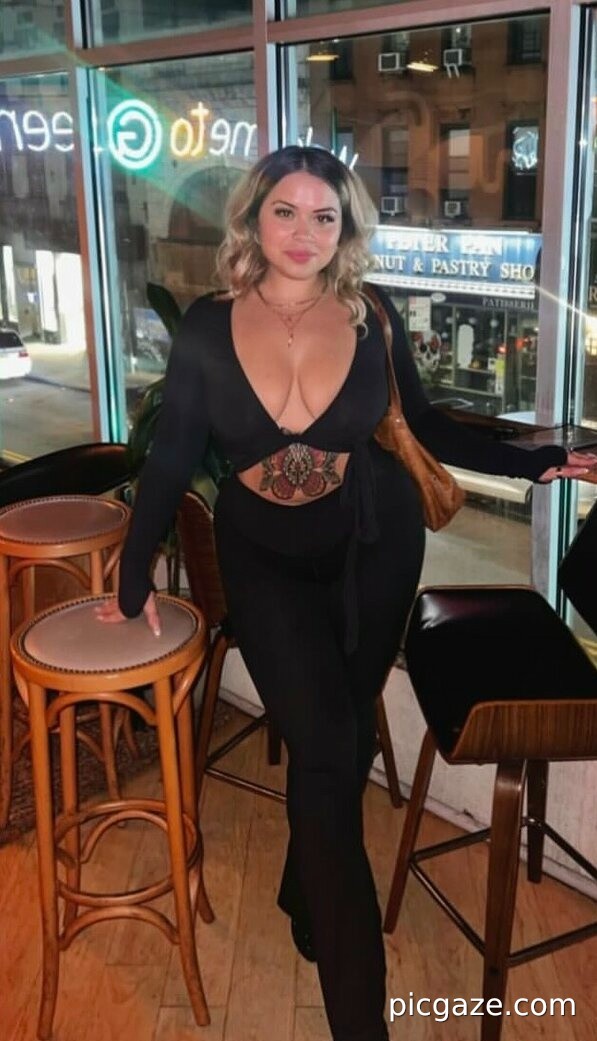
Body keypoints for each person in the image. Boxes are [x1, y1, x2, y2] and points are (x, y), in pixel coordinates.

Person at [96, 145, 595, 1041]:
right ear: (253, 219)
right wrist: (133, 580)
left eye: (323, 216)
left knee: (339, 737)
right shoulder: (209, 325)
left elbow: (426, 425)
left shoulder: (373, 315)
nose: (304, 233)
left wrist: (540, 463)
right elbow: (171, 456)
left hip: (376, 546)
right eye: (285, 212)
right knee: (328, 752)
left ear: (345, 227)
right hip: (264, 561)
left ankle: (303, 887)